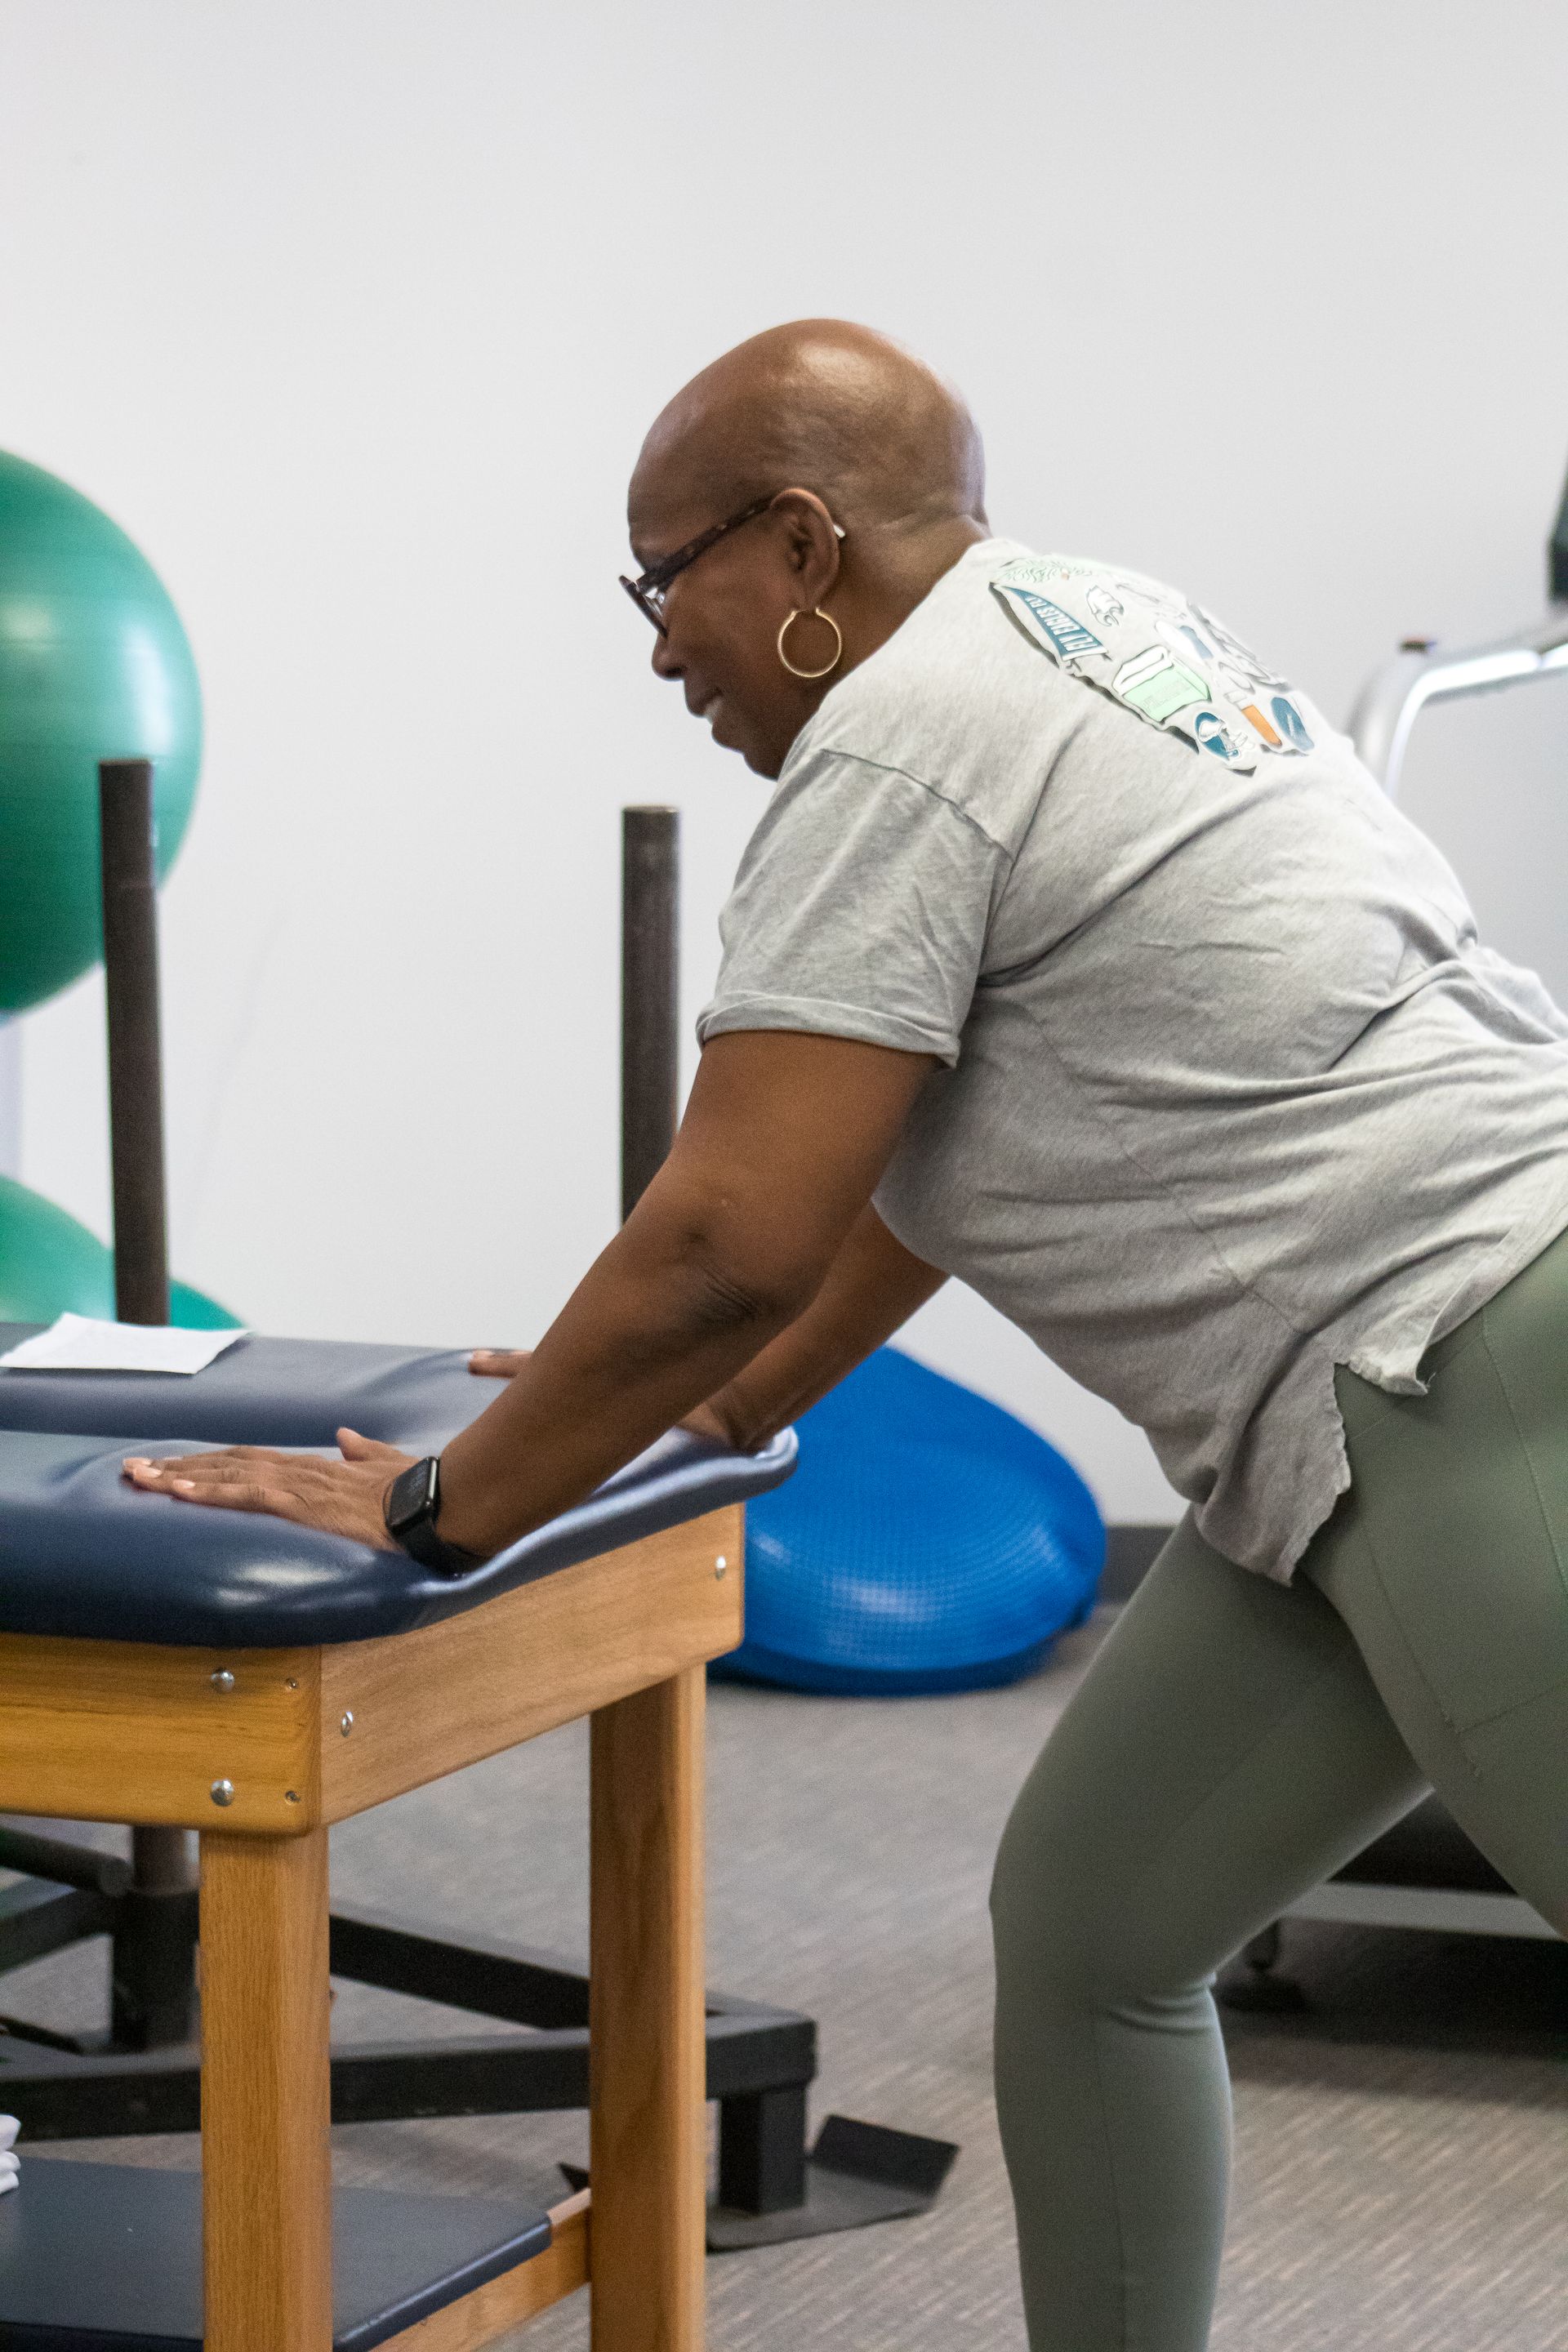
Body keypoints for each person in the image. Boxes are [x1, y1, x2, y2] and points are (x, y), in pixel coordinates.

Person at [125, 321, 1568, 2351]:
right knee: (1096, 1938)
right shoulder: (1094, 623)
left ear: (798, 544)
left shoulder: (900, 741)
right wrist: (699, 1416)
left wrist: (442, 1511)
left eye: (665, 578)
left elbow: (730, 1230)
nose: (655, 647)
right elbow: (912, 1174)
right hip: (1344, 1420)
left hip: (1479, 1363)